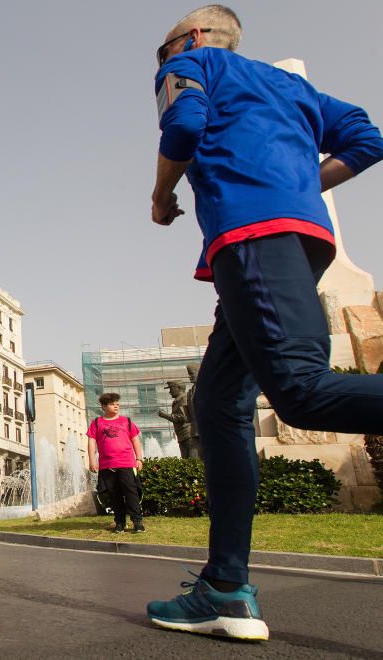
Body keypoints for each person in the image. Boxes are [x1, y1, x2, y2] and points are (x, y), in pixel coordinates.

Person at [148, 5, 383, 640]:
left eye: (161, 49)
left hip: (254, 237)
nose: (160, 61)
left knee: (300, 390)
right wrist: (304, 180)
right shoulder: (294, 88)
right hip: (299, 240)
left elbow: (183, 128)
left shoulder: (193, 64)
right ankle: (224, 588)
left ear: (192, 38)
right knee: (220, 403)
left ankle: (225, 587)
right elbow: (368, 138)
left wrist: (161, 195)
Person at [87, 393, 144, 534]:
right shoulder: (96, 423)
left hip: (127, 463)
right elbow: (91, 441)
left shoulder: (127, 421)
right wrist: (92, 460)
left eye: (117, 403)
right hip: (107, 465)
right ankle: (120, 523)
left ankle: (137, 522)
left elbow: (135, 440)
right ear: (104, 406)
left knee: (131, 493)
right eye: (113, 404)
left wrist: (139, 458)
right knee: (114, 495)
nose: (116, 406)